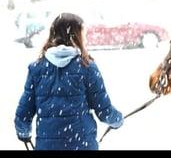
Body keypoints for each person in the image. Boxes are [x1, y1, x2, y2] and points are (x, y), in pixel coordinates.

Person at [14, 12, 124, 150]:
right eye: (83, 34)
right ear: (76, 36)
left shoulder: (37, 68)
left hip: (48, 146)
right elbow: (104, 111)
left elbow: (23, 113)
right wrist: (118, 120)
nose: (85, 39)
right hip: (81, 144)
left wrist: (23, 134)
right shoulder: (87, 67)